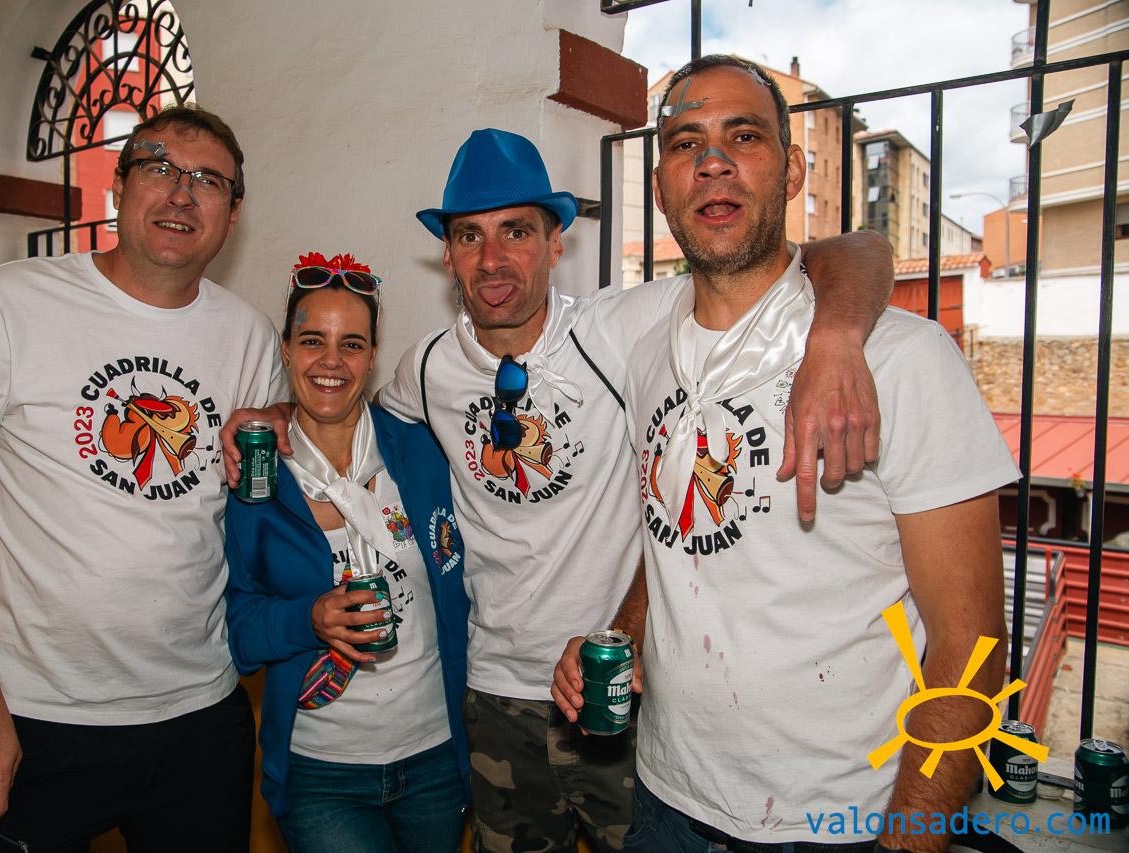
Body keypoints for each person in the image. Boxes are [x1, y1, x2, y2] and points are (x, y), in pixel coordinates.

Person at [223, 129, 896, 852]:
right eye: (470, 235)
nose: (492, 258)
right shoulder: (426, 368)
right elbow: (342, 406)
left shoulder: (623, 328)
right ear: (447, 254)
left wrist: (836, 336)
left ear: (556, 243)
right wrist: (278, 410)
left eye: (516, 231)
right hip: (492, 699)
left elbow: (846, 251)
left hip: (617, 689)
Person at [551, 56, 1020, 853]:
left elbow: (972, 648)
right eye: (685, 143)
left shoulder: (901, 360)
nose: (713, 162)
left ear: (794, 170)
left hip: (839, 822)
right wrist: (623, 633)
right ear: (660, 187)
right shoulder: (645, 350)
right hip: (665, 800)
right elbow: (679, 531)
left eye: (744, 136)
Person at [0, 105, 283, 853]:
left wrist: (287, 417)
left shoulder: (249, 334)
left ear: (233, 215)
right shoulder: (10, 305)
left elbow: (261, 492)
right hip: (26, 718)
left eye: (208, 181)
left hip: (199, 717)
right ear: (118, 187)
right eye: (158, 167)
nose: (181, 192)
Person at [224, 252, 471, 852]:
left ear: (373, 354)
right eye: (313, 340)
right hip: (321, 770)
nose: (331, 361)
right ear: (286, 350)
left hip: (436, 757)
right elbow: (238, 631)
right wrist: (307, 618)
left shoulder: (421, 449)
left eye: (351, 344)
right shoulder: (254, 474)